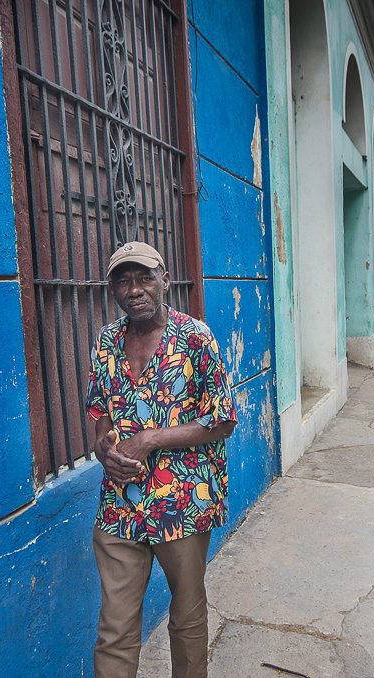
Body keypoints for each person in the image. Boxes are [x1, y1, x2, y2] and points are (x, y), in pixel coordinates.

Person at [86, 241, 237, 678]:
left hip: (183, 502)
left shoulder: (195, 338)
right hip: (120, 505)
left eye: (144, 278)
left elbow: (223, 419)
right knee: (114, 627)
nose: (133, 290)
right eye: (122, 281)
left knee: (186, 615)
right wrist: (104, 447)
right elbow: (99, 407)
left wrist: (151, 439)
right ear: (113, 288)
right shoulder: (108, 340)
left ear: (164, 280)